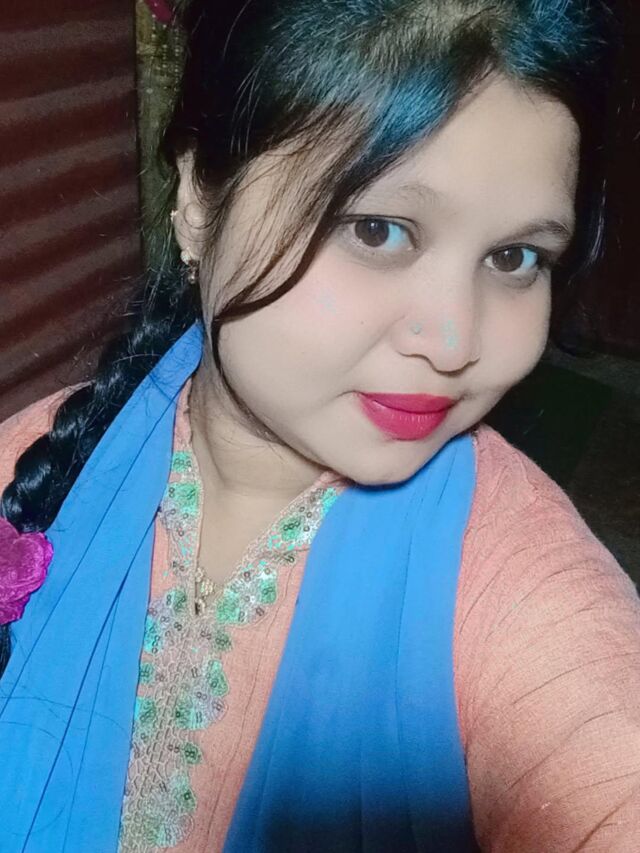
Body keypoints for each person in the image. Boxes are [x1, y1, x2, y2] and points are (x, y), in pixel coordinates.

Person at [1, 1, 639, 850]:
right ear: (197, 200)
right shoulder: (32, 463)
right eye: (378, 230)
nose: (456, 343)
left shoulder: (526, 598)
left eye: (515, 257)